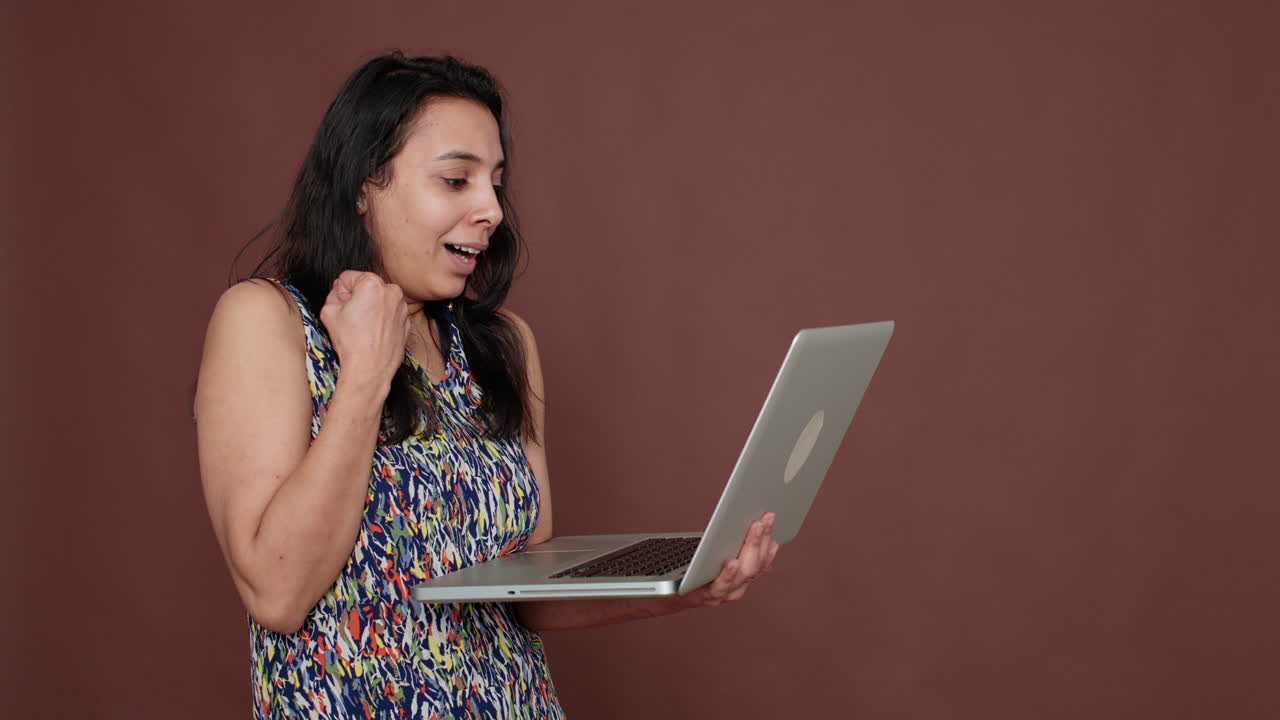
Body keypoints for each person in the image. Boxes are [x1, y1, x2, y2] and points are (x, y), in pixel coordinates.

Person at [195, 51, 779, 719]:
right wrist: (365, 376)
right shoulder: (265, 320)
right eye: (456, 180)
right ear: (362, 187)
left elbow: (525, 595)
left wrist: (686, 587)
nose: (492, 209)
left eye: (495, 184)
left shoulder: (504, 345)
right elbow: (277, 593)